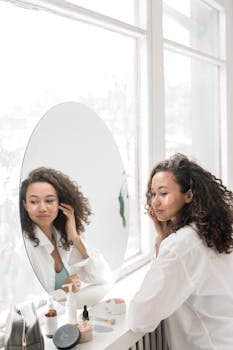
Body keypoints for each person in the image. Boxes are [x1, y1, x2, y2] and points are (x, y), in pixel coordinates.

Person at [128, 153, 233, 350]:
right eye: (152, 194)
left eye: (163, 193)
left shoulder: (180, 245)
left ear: (189, 195)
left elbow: (140, 318)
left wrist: (163, 241)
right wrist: (162, 239)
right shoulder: (213, 232)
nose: (155, 203)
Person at [20, 167, 112, 301]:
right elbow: (27, 303)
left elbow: (102, 276)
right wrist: (63, 290)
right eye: (34, 202)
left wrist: (75, 237)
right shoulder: (25, 245)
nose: (42, 208)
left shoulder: (61, 237)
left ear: (60, 203)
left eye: (49, 200)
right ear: (25, 205)